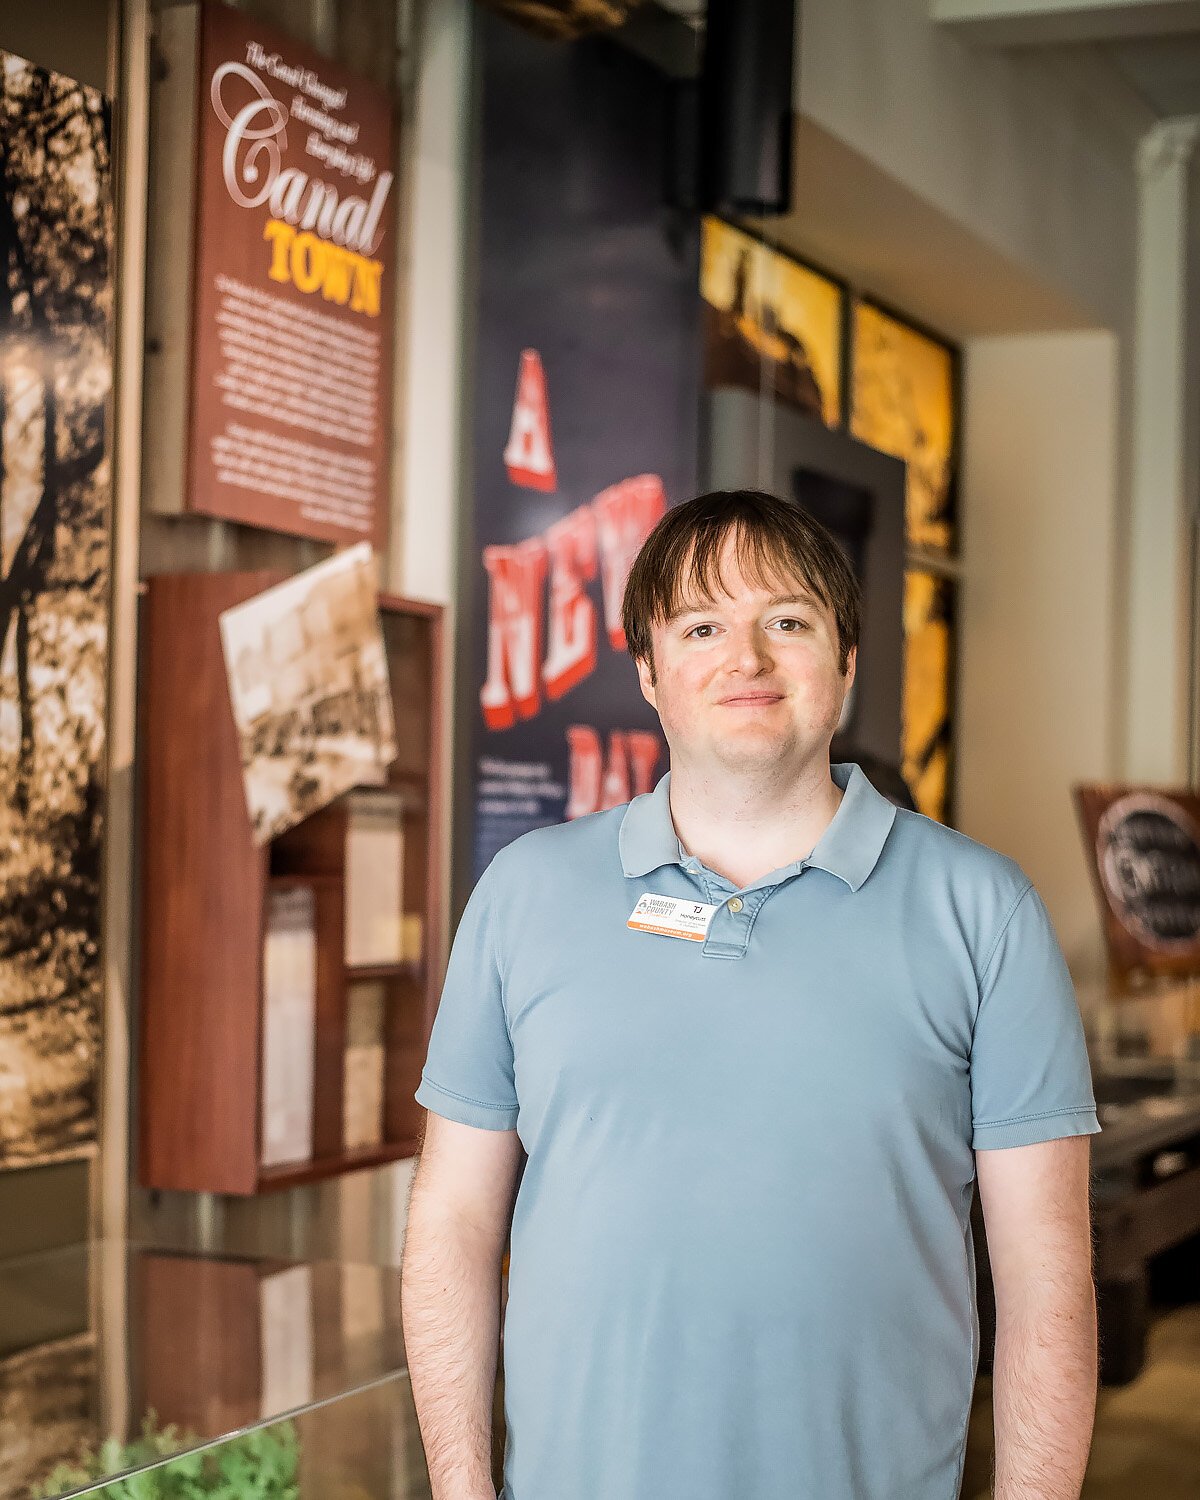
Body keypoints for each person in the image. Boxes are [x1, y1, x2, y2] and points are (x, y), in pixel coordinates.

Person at [401, 489, 1099, 1500]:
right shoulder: (524, 894)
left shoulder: (983, 911)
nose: (748, 659)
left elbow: (1047, 1285)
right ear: (647, 671)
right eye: (702, 627)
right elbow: (453, 1224)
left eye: (787, 621)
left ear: (847, 662)